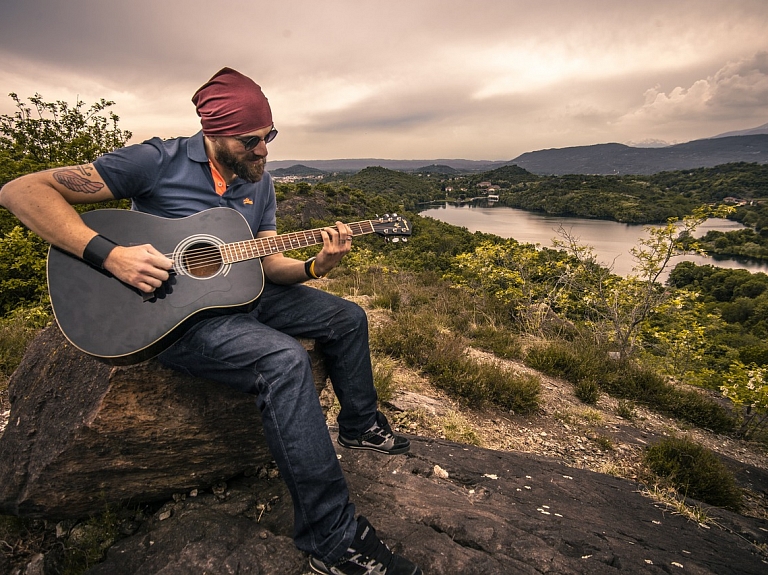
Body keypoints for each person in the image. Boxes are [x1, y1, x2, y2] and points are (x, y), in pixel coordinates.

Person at [0, 67, 422, 575]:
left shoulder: (257, 181)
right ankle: (332, 541)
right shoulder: (156, 160)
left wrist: (315, 266)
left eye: (269, 137)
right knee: (283, 360)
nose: (263, 150)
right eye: (251, 140)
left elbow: (265, 263)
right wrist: (111, 256)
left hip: (243, 292)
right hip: (170, 314)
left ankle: (359, 426)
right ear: (213, 133)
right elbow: (21, 192)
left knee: (348, 317)